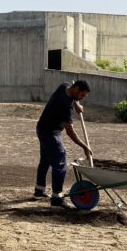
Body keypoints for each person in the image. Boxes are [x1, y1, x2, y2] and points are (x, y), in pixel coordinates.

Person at [34, 80, 93, 208]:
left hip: (42, 127)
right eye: (82, 95)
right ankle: (57, 198)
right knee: (60, 162)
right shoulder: (65, 105)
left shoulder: (64, 86)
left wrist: (77, 103)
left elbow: (71, 90)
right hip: (50, 133)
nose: (82, 98)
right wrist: (85, 147)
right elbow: (70, 132)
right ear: (76, 89)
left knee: (45, 160)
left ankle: (39, 190)